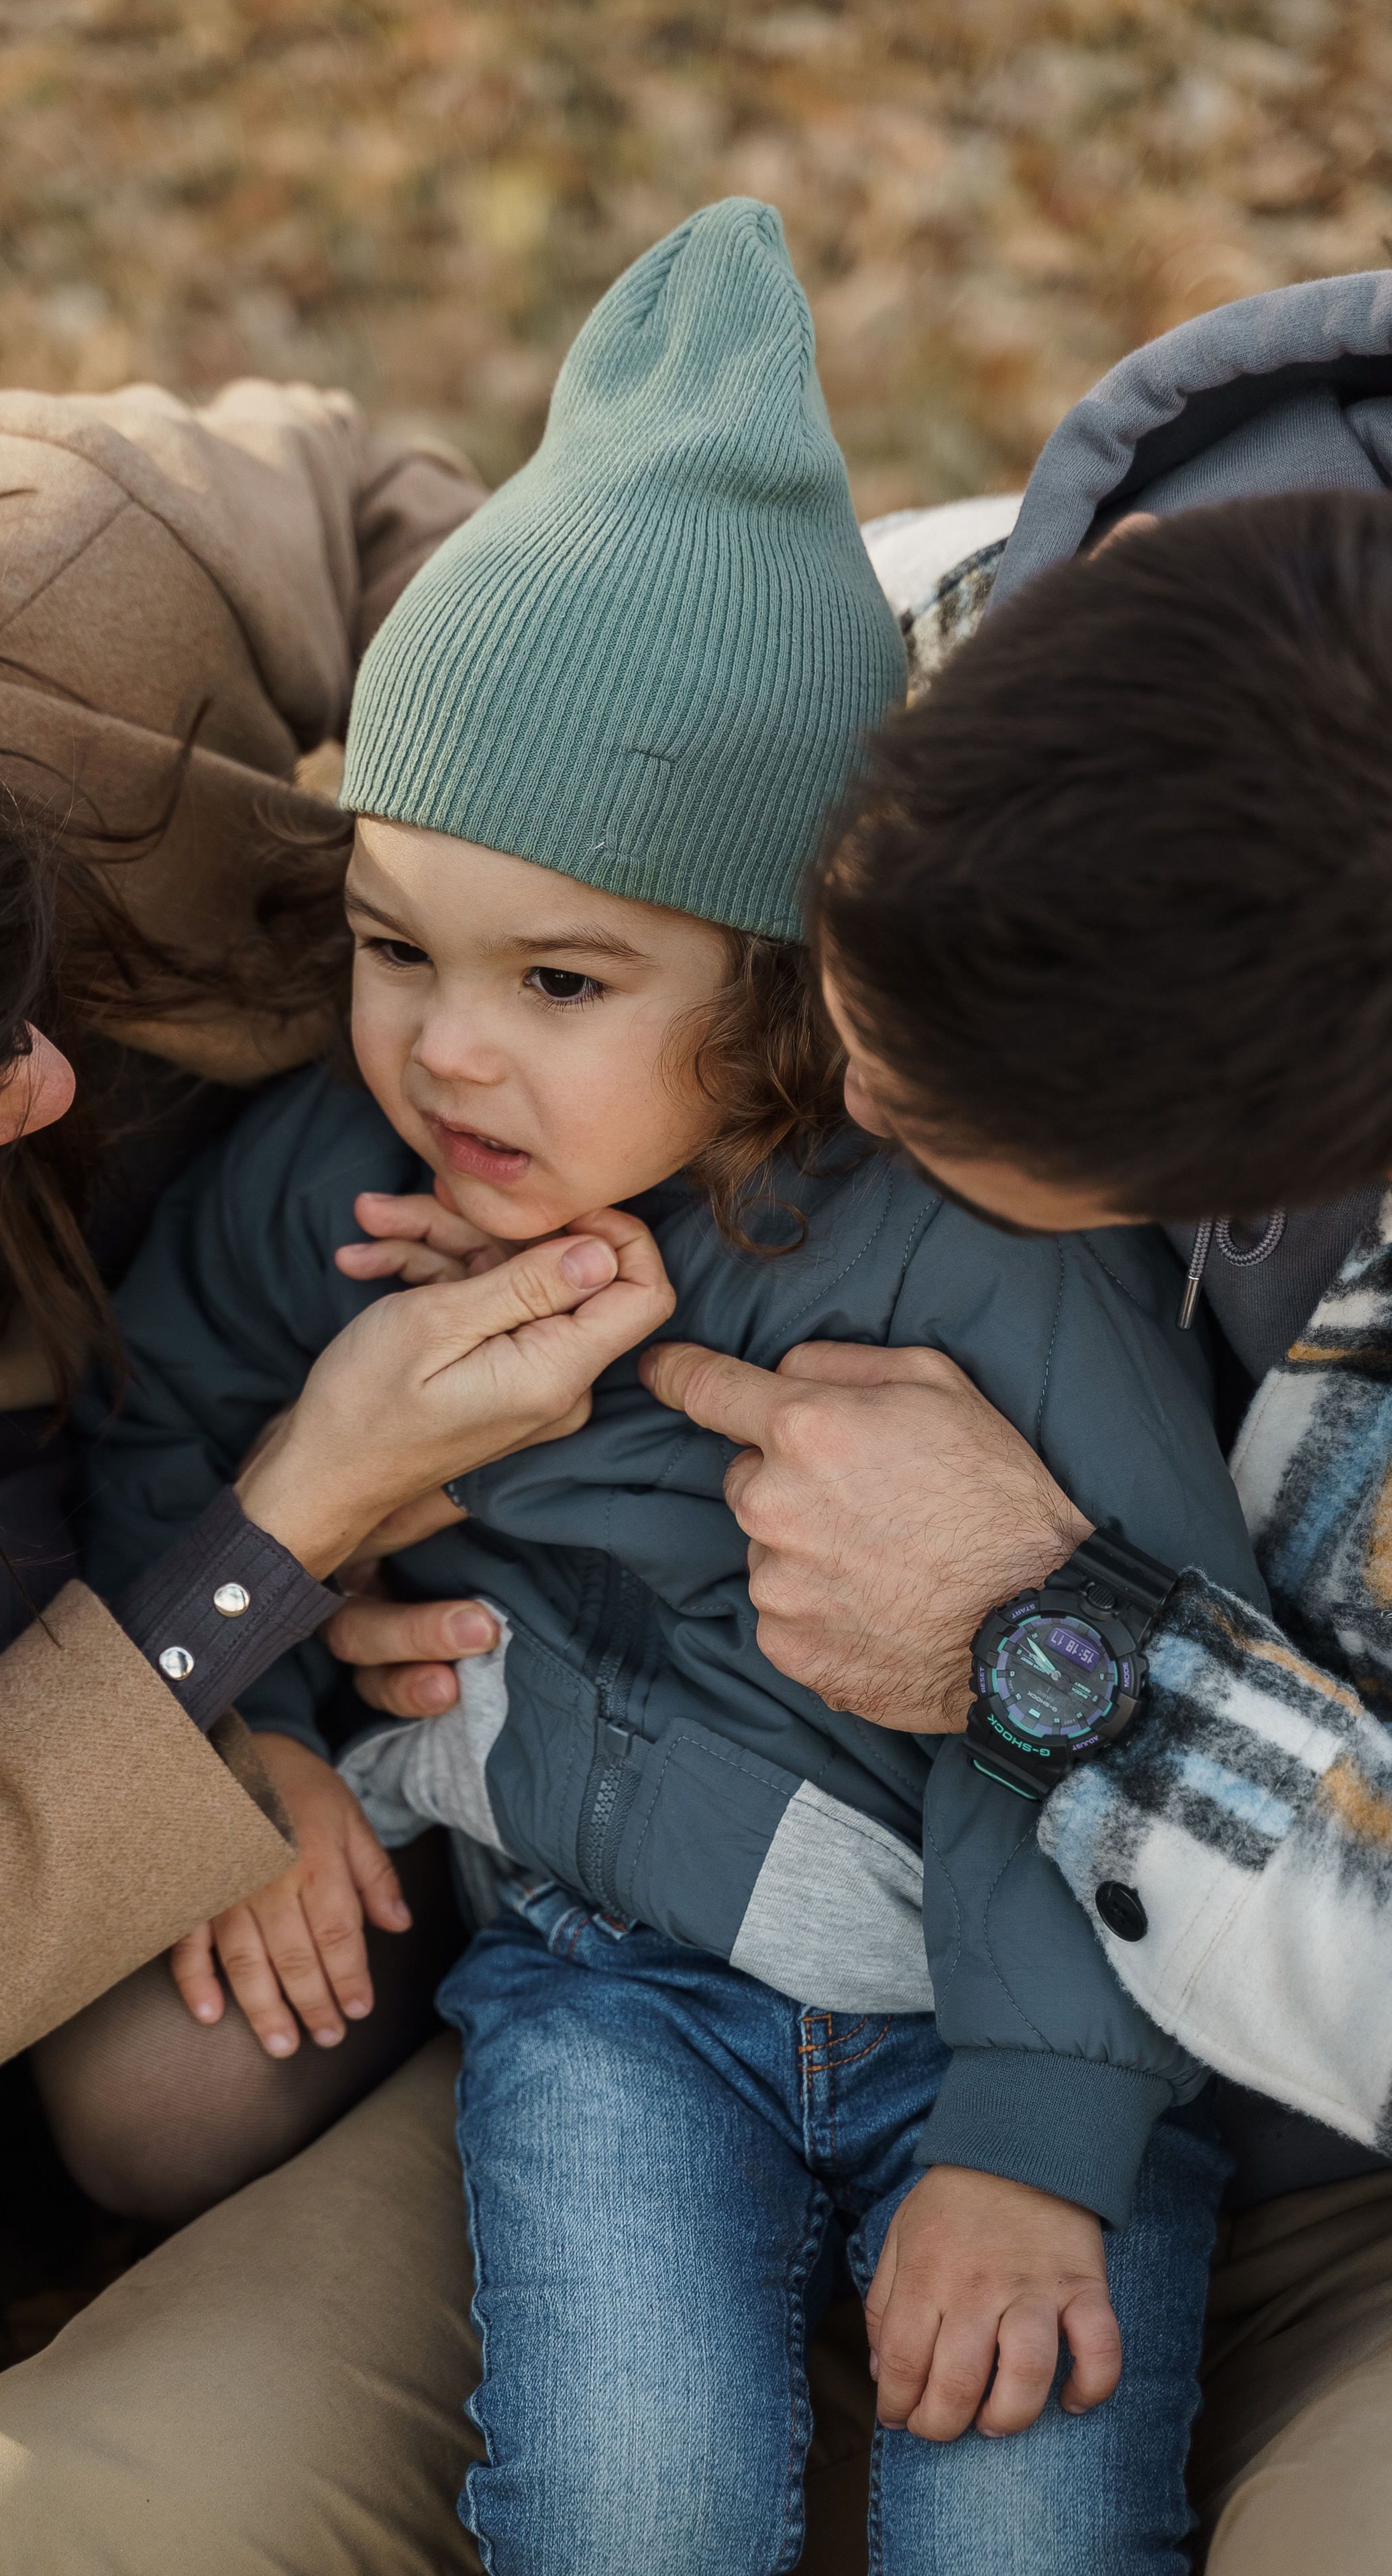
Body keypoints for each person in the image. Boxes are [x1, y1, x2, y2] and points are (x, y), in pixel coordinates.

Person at [70, 202, 1268, 2576]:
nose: (445, 1046)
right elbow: (160, 1425)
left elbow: (1147, 1671)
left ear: (775, 981)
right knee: (624, 2503)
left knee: (1023, 2515)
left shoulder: (972, 1236)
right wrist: (265, 1715)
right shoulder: (338, 1172)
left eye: (562, 982)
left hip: (1002, 2019)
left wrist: (1040, 2141)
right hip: (611, 1999)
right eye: (393, 945)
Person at [0, 379, 683, 2576]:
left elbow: (424, 512)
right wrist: (246, 1621)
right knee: (173, 2083)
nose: (44, 1077)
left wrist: (534, 964)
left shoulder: (11, 623)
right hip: (95, 1774)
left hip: (510, 1430)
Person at [638, 273, 1392, 2571]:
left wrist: (1047, 1641)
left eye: (920, 1110)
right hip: (694, 1955)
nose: (833, 1100)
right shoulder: (1009, 628)